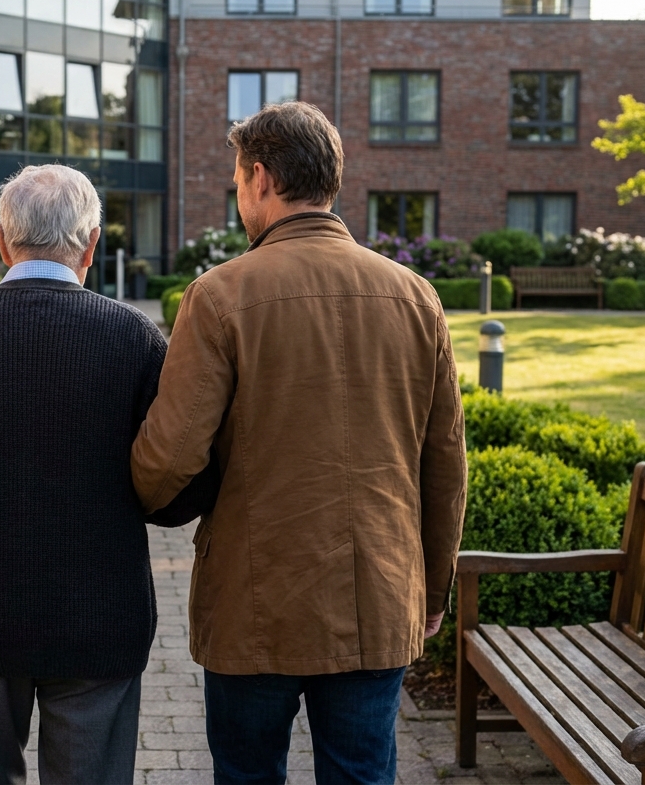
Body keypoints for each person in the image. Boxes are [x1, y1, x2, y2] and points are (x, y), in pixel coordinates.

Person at [131, 102, 468, 785]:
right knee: (363, 773)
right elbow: (445, 464)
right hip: (378, 592)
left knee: (249, 773)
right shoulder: (416, 296)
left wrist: (137, 497)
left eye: (236, 178)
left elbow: (168, 458)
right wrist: (433, 588)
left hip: (255, 603)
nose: (237, 195)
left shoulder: (221, 295)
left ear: (261, 177)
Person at [0, 164, 213, 784]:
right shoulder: (134, 337)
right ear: (92, 243)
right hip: (100, 622)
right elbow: (180, 484)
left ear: (2, 241)